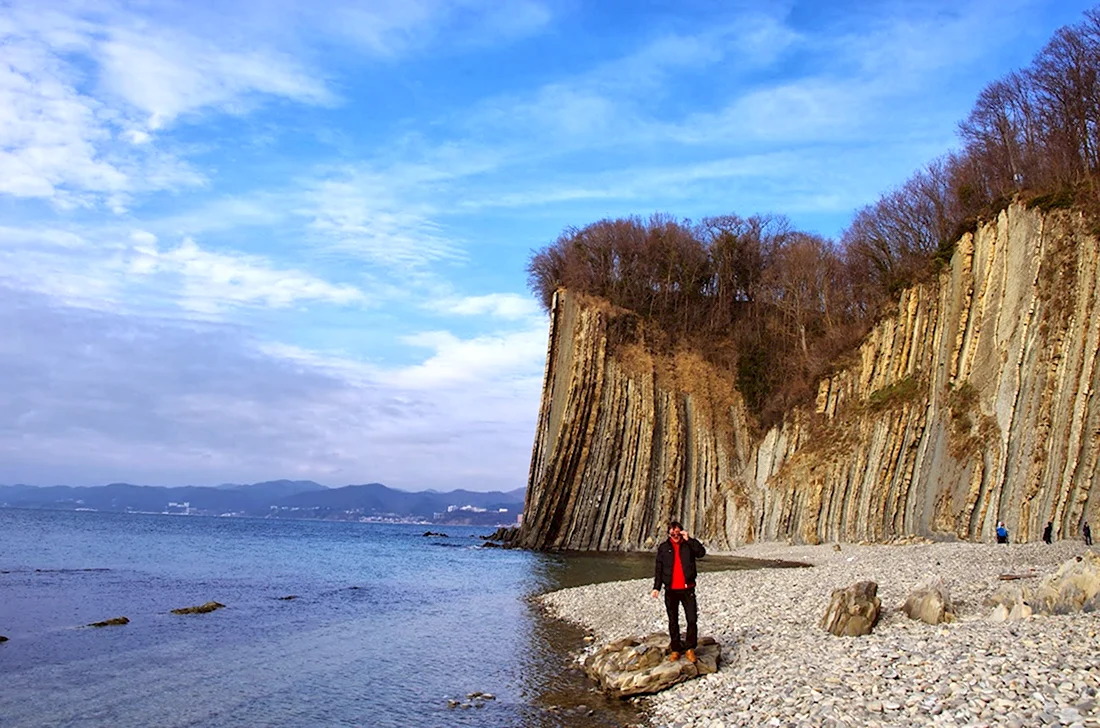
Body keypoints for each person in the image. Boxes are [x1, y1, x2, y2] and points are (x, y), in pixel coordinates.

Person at [651, 521, 706, 663]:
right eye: (672, 533)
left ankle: (690, 648)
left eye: (677, 532)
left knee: (692, 619)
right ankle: (675, 649)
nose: (675, 535)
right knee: (673, 620)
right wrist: (656, 587)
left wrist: (690, 539)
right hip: (671, 590)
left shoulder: (688, 545)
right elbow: (659, 568)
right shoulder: (663, 548)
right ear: (669, 533)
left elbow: (701, 553)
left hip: (688, 588)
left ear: (682, 532)